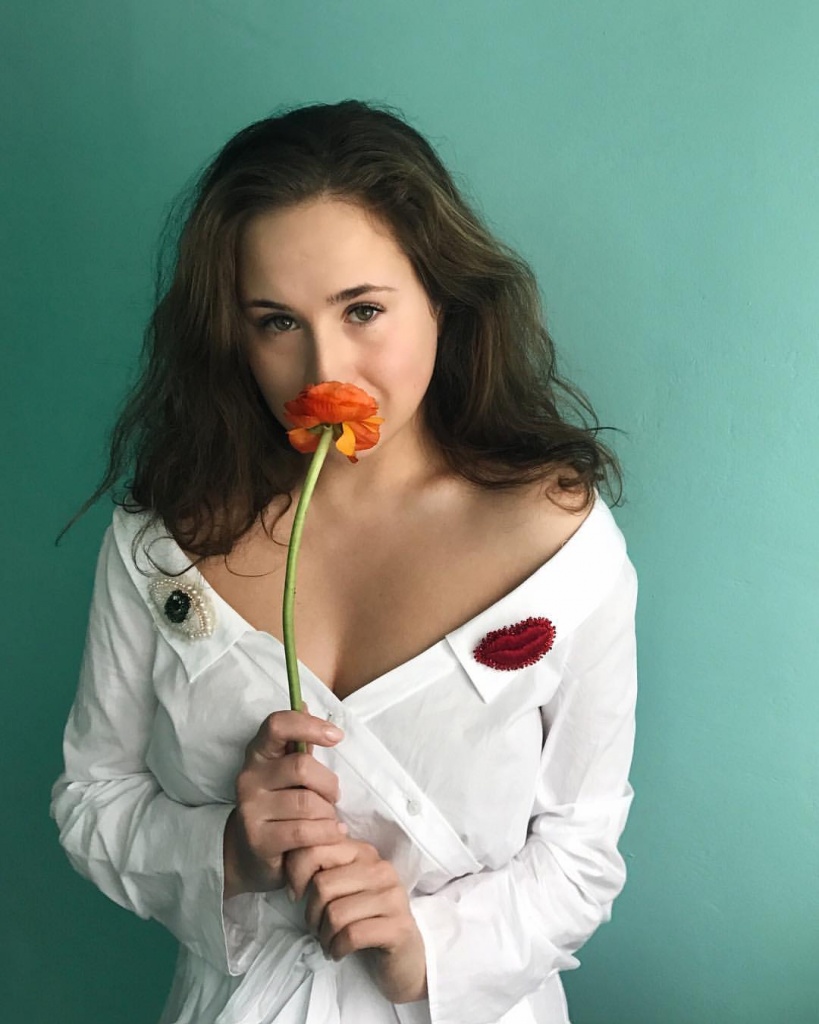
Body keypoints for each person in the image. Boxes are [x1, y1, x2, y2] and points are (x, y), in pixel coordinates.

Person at [51, 99, 638, 1024]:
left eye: (363, 310)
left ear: (442, 297)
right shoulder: (162, 546)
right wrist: (229, 851)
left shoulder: (558, 542)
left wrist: (424, 951)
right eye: (276, 323)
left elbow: (580, 851)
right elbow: (93, 797)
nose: (325, 371)